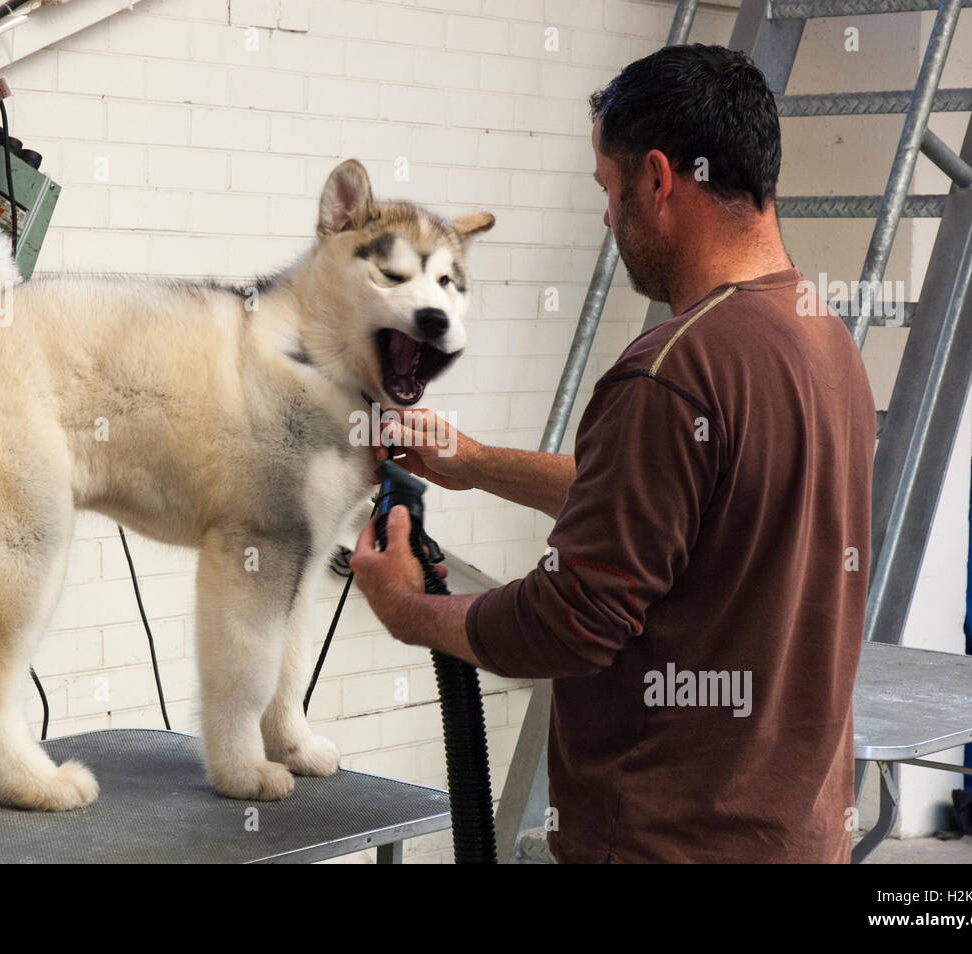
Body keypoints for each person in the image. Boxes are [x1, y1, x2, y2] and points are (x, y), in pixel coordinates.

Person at [348, 43, 877, 864]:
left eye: (607, 187)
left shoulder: (672, 370)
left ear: (659, 179)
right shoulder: (823, 335)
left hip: (668, 844)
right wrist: (476, 461)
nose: (606, 216)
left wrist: (408, 610)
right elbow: (680, 511)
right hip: (796, 839)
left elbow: (571, 622)